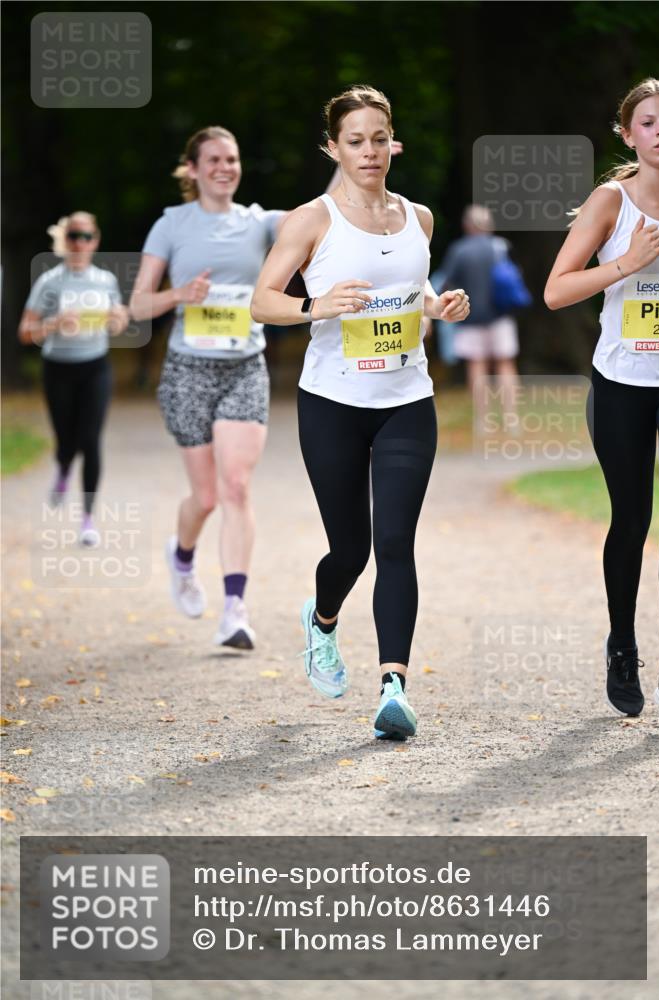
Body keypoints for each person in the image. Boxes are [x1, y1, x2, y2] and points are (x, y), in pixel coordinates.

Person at [251, 86, 470, 739]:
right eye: (355, 141)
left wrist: (436, 306)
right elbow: (262, 301)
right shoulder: (310, 221)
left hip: (406, 401)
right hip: (332, 403)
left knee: (395, 543)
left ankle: (392, 689)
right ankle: (322, 622)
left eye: (378, 139)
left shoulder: (418, 218)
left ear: (392, 143)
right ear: (333, 148)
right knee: (350, 550)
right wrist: (315, 307)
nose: (369, 151)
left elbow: (410, 288)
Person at [129, 127, 365, 647]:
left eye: (232, 159)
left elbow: (322, 210)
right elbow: (138, 305)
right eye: (213, 160)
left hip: (243, 368)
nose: (224, 167)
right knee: (206, 496)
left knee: (235, 486)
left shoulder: (259, 222)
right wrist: (179, 295)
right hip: (188, 371)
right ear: (192, 169)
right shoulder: (171, 224)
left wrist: (351, 162)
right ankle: (182, 555)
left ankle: (234, 608)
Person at [544, 78, 659, 724]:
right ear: (627, 134)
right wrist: (627, 263)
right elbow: (555, 291)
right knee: (631, 520)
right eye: (648, 122)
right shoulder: (610, 202)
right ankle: (622, 647)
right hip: (622, 382)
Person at [18, 211, 129, 546]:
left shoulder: (105, 280)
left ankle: (88, 519)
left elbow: (118, 323)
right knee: (67, 442)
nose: (80, 243)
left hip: (95, 367)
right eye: (74, 236)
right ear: (65, 241)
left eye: (86, 237)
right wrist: (53, 324)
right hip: (58, 369)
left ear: (96, 241)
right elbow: (25, 332)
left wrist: (119, 318)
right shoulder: (49, 281)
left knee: (91, 441)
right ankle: (63, 468)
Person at [435, 205, 522, 433]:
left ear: (467, 225)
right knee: (506, 364)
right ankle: (511, 419)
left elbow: (445, 283)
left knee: (477, 366)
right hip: (501, 316)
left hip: (469, 318)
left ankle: (483, 421)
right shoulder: (501, 246)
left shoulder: (459, 250)